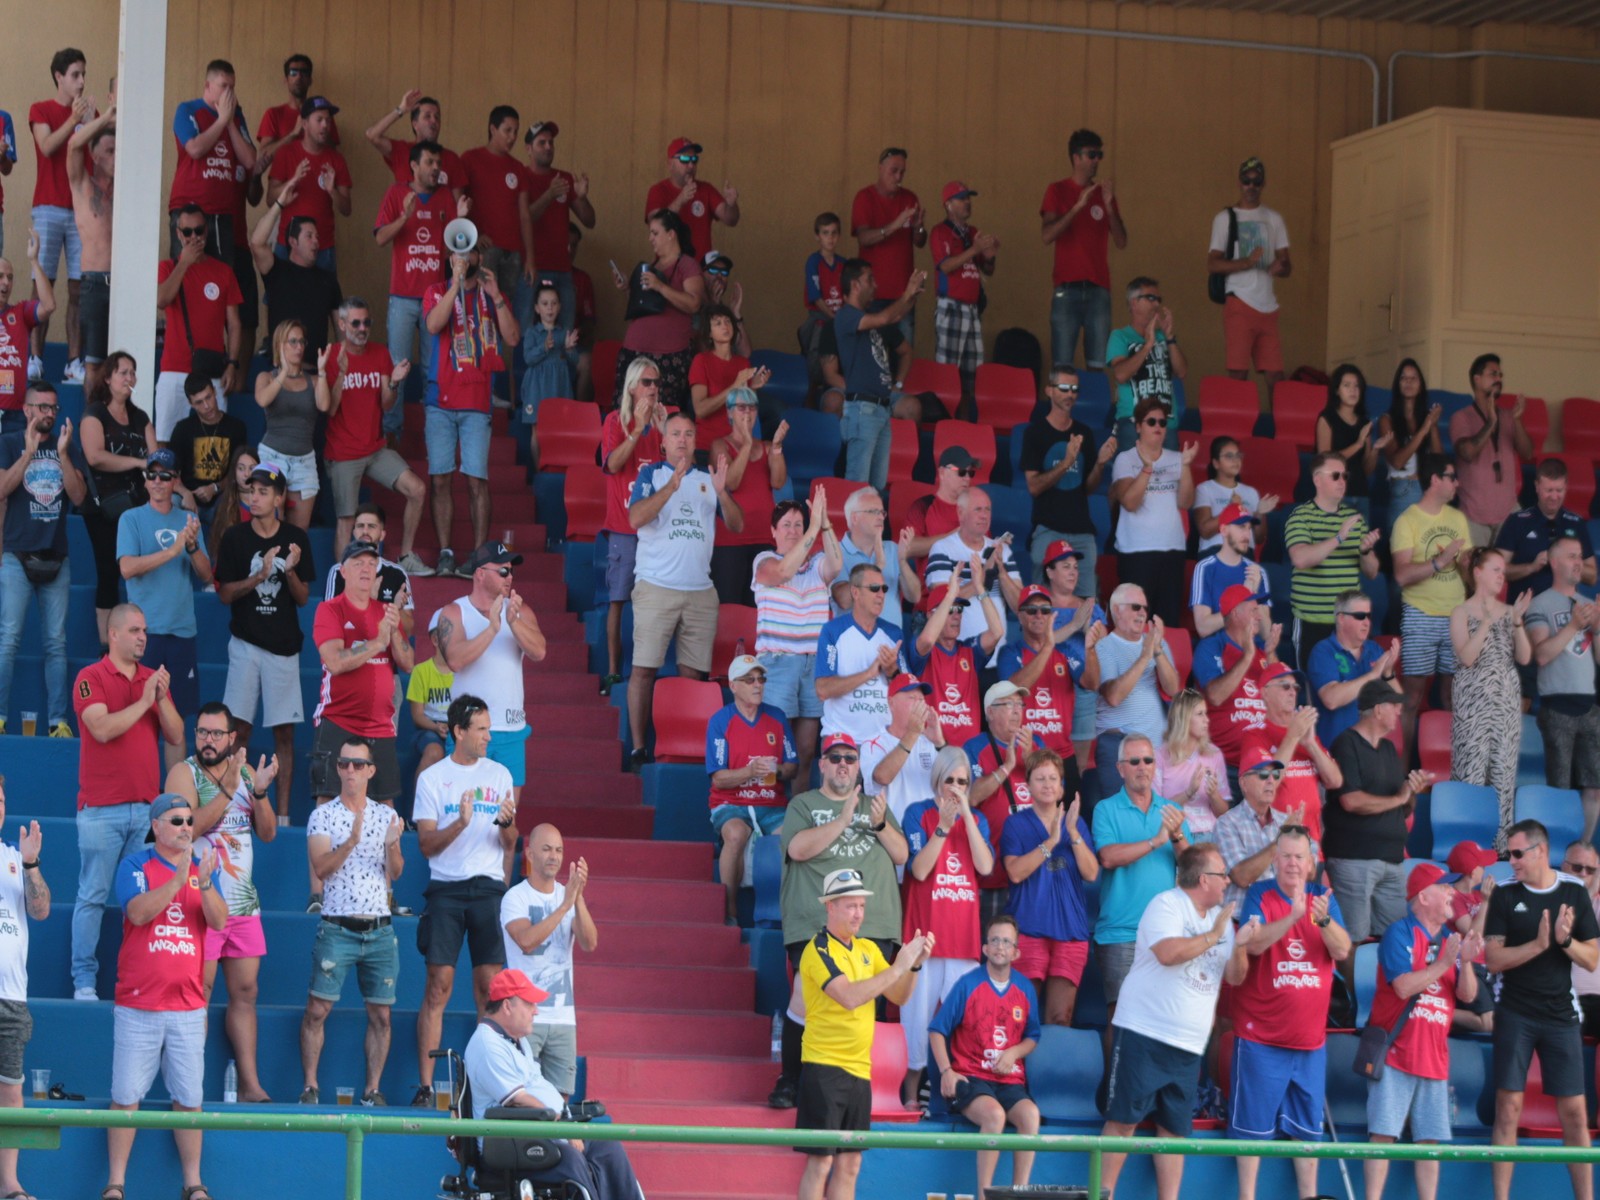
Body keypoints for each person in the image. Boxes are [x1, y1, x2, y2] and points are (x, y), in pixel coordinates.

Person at [1098, 843, 1254, 1200]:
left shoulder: (1223, 922)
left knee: (1174, 1131)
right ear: (1203, 879)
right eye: (1222, 874)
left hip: (1187, 1045)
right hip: (1144, 1032)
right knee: (1123, 1122)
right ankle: (1101, 1196)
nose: (1228, 880)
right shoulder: (1166, 904)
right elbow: (1168, 953)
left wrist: (1240, 945)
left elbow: (1236, 975)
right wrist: (1215, 935)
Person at [771, 733, 909, 1110]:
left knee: (870, 1008)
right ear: (822, 765)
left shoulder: (875, 805)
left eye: (850, 757)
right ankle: (791, 1079)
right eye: (835, 757)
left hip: (875, 923)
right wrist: (844, 818)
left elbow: (901, 855)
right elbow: (797, 849)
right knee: (805, 998)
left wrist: (878, 825)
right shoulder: (804, 804)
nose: (843, 764)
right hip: (817, 922)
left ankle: (863, 1089)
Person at [105, 793, 226, 1200]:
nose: (186, 828)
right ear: (156, 826)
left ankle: (193, 1184)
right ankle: (116, 1185)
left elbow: (220, 920)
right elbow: (137, 912)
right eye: (176, 821)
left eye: (190, 821)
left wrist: (203, 882)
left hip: (188, 1006)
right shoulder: (136, 864)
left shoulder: (203, 870)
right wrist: (177, 878)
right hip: (138, 1003)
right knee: (125, 1099)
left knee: (190, 1100)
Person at [1229, 826, 1351, 1200]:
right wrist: (1292, 917)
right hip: (1261, 1037)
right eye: (1286, 856)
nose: (1293, 864)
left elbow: (1343, 951)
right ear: (1275, 860)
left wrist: (1322, 920)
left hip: (1309, 1042)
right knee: (1250, 1133)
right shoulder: (1260, 894)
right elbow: (1252, 945)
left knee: (1308, 1133)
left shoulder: (1323, 899)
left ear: (1311, 863)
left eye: (1300, 856)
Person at [796, 868, 932, 1200]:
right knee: (822, 1163)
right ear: (830, 906)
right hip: (823, 1068)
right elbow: (850, 997)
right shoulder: (818, 950)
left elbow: (899, 996)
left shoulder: (869, 949)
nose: (858, 913)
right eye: (850, 906)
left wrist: (913, 965)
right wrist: (899, 965)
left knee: (851, 1164)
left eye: (861, 906)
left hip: (859, 1071)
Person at [72, 604, 185, 1000]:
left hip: (145, 811)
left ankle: (138, 978)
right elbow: (101, 729)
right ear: (114, 634)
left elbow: (175, 734)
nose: (143, 637)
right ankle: (84, 982)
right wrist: (143, 702)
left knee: (141, 900)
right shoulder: (91, 677)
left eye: (145, 631)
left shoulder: (151, 680)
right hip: (102, 807)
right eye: (135, 630)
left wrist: (162, 696)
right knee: (93, 896)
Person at [411, 694, 519, 1104]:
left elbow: (509, 842)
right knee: (438, 986)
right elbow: (425, 845)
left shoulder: (500, 775)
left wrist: (507, 825)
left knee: (489, 990)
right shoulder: (434, 779)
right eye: (482, 729)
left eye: (489, 728)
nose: (489, 736)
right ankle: (425, 1086)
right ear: (459, 732)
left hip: (489, 888)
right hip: (447, 889)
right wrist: (460, 821)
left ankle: (483, 1088)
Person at [169, 701, 278, 1105]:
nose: (208, 740)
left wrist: (260, 791)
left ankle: (250, 1084)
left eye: (216, 734)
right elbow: (187, 828)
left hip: (243, 904)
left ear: (233, 738)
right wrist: (230, 789)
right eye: (202, 732)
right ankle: (189, 1086)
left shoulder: (246, 773)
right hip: (200, 901)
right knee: (201, 991)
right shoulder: (185, 772)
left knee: (246, 991)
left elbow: (267, 834)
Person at [1486, 819, 1600, 1200]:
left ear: (1541, 852)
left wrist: (1564, 941)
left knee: (1574, 1113)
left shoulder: (1575, 892)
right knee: (1509, 1108)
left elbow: (1591, 960)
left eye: (1518, 854)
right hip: (1515, 1010)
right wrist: (1535, 946)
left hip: (1560, 1015)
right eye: (1510, 854)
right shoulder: (1504, 894)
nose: (1512, 861)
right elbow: (1493, 959)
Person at [461, 968, 645, 1200]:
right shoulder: (487, 1044)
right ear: (507, 1006)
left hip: (540, 1133)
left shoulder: (517, 1042)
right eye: (529, 1004)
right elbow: (519, 1101)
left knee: (607, 1147)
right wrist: (563, 1128)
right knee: (571, 1158)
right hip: (510, 1143)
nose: (535, 1011)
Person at [625, 413, 740, 769]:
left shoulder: (709, 479)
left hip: (700, 592)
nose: (682, 440)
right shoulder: (652, 475)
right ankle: (639, 747)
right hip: (656, 587)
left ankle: (686, 747)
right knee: (644, 669)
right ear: (662, 441)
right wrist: (670, 489)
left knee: (693, 676)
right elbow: (635, 519)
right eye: (675, 433)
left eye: (689, 434)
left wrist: (723, 493)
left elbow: (736, 525)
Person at [1364, 862, 1482, 1200]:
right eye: (1443, 887)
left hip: (1434, 1057)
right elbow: (1402, 987)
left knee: (1429, 1142)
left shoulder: (1450, 939)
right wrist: (1444, 964)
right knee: (1383, 1135)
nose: (1450, 893)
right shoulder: (1399, 933)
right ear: (1423, 896)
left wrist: (1468, 961)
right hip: (1397, 1053)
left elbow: (1468, 996)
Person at [301, 735, 405, 1106]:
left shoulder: (386, 815)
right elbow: (321, 869)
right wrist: (351, 841)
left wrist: (392, 844)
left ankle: (371, 1091)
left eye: (358, 765)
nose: (349, 770)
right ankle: (310, 1086)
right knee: (317, 1009)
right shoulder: (323, 815)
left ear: (370, 771)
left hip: (378, 927)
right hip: (337, 925)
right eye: (344, 763)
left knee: (382, 1014)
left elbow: (397, 871)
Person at [214, 462, 314, 820]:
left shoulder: (296, 539)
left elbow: (303, 598)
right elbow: (225, 594)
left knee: (284, 735)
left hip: (284, 649)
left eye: (262, 492)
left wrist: (286, 571)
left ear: (278, 497)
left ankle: (282, 817)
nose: (254, 497)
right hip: (244, 645)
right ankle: (228, 809)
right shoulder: (235, 538)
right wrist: (260, 574)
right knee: (237, 730)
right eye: (250, 491)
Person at [898, 745, 994, 1105]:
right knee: (916, 1025)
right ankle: (910, 1096)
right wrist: (942, 826)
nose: (955, 787)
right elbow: (919, 870)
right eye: (950, 780)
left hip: (963, 939)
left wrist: (966, 816)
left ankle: (959, 1098)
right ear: (937, 779)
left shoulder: (978, 820)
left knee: (965, 1024)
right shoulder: (917, 813)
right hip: (924, 938)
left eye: (963, 781)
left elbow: (985, 867)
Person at [1092, 733, 1193, 1074]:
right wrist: (1156, 840)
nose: (1142, 767)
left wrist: (1176, 836)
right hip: (1120, 931)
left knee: (1163, 1016)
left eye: (1148, 760)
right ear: (1120, 768)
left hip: (1163, 934)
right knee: (1120, 1015)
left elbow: (1191, 869)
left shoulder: (1173, 811)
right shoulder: (1106, 809)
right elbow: (1107, 857)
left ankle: (1150, 1092)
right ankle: (1115, 1089)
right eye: (1134, 761)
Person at [928, 913, 1042, 1197]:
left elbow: (1033, 1036)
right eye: (995, 940)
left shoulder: (1025, 988)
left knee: (1030, 1115)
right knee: (994, 1116)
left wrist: (1014, 1052)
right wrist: (946, 1071)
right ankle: (984, 1194)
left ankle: (1020, 1192)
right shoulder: (968, 984)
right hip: (972, 1078)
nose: (1000, 946)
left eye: (1007, 941)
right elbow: (936, 1030)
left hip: (1009, 1081)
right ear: (985, 949)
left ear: (1016, 951)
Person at [425, 245, 519, 573]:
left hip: (477, 402)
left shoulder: (490, 294)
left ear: (481, 257)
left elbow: (513, 338)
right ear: (449, 258)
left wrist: (497, 298)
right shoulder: (436, 290)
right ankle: (446, 553)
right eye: (457, 251)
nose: (465, 257)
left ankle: (479, 556)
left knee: (477, 481)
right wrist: (455, 282)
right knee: (440, 479)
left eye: (471, 251)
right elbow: (434, 325)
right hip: (440, 401)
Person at [116, 449, 212, 770]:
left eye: (165, 476)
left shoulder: (189, 521)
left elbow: (206, 574)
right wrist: (173, 551)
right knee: (140, 716)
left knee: (177, 722)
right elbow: (127, 568)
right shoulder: (131, 519)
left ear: (176, 481)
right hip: (144, 635)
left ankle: (175, 798)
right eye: (151, 475)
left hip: (181, 632)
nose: (157, 481)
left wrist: (192, 546)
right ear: (145, 481)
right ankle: (140, 792)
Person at [309, 540, 413, 833]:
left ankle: (387, 878)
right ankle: (319, 876)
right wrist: (377, 643)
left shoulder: (386, 612)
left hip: (380, 725)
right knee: (327, 803)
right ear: (343, 571)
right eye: (358, 563)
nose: (366, 569)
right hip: (338, 719)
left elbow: (407, 662)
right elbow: (335, 661)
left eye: (371, 563)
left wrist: (392, 634)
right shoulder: (330, 610)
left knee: (385, 807)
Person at [1325, 682, 1428, 975]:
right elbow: (1351, 801)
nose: (1399, 711)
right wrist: (1398, 797)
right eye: (1394, 705)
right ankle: (1353, 1003)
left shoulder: (1387, 749)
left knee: (1394, 936)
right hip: (1354, 857)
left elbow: (1400, 806)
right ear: (1378, 709)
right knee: (1353, 938)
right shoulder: (1346, 743)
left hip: (1392, 859)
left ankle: (1381, 1002)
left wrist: (1411, 793)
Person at [0, 383, 85, 737]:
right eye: (42, 407)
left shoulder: (67, 446)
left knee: (56, 642)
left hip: (56, 555)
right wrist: (29, 453)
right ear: (27, 409)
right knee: (9, 638)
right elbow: (3, 489)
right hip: (16, 554)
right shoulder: (7, 443)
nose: (48, 413)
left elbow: (78, 497)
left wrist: (63, 455)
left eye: (53, 407)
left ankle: (57, 722)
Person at [317, 300, 428, 568]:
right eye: (355, 323)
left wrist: (393, 381)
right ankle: (343, 580)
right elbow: (329, 410)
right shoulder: (331, 355)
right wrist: (341, 374)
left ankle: (405, 556)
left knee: (418, 489)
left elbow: (387, 403)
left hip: (375, 449)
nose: (362, 328)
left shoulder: (379, 353)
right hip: (343, 453)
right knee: (346, 519)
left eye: (367, 322)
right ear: (342, 325)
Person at [435, 541, 547, 800]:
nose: (510, 578)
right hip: (467, 729)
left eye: (511, 571)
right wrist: (492, 629)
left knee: (506, 820)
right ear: (480, 573)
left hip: (511, 729)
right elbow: (455, 660)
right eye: (503, 571)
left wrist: (513, 622)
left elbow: (539, 652)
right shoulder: (453, 612)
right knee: (459, 812)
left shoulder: (520, 610)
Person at [1001, 748, 1098, 1027]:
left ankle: (1051, 1071)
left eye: (1053, 779)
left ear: (1062, 785)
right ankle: (1016, 1071)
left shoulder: (1076, 823)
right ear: (1028, 786)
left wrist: (1074, 834)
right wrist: (1051, 842)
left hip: (1070, 932)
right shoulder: (1015, 823)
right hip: (1029, 929)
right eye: (1040, 778)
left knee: (1061, 1018)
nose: (1047, 785)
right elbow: (1015, 873)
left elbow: (1091, 873)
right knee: (1020, 1017)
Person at [500, 825, 597, 1102]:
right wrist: (565, 905)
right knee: (522, 1097)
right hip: (524, 1014)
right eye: (546, 849)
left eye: (559, 850)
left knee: (560, 1100)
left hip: (563, 1016)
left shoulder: (568, 896)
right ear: (529, 854)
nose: (554, 856)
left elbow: (590, 944)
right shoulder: (515, 897)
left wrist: (577, 900)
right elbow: (526, 941)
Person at [753, 498, 842, 790]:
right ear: (773, 531)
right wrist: (812, 530)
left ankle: (796, 814)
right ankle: (765, 810)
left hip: (812, 663)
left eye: (799, 524)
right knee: (773, 748)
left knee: (805, 750)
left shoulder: (816, 564)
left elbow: (837, 565)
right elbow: (782, 573)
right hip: (777, 663)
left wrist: (825, 523)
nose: (793, 531)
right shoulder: (764, 560)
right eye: (786, 525)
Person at [372, 138, 459, 436]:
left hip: (435, 298)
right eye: (430, 163)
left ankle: (435, 430)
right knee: (398, 365)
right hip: (402, 297)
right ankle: (393, 432)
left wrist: (462, 220)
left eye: (439, 163)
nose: (436, 169)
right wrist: (405, 217)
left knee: (432, 369)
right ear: (413, 166)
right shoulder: (397, 193)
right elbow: (381, 238)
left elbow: (453, 250)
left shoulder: (446, 197)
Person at [707, 655, 799, 921]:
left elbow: (792, 766)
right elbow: (718, 779)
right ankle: (730, 908)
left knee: (794, 839)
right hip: (730, 802)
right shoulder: (720, 721)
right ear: (733, 686)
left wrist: (777, 770)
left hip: (770, 803)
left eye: (761, 679)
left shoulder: (777, 717)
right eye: (749, 680)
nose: (757, 685)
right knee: (735, 834)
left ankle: (786, 912)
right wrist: (749, 772)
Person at [1451, 548, 1533, 841]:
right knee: (1471, 774)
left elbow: (1524, 657)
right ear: (1478, 572)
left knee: (1502, 775)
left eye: (1503, 570)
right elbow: (1468, 658)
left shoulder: (1510, 611)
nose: (1502, 575)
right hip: (1473, 704)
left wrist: (1518, 622)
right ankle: (1466, 847)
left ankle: (1500, 847)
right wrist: (1485, 622)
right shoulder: (1461, 612)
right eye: (1496, 569)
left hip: (1505, 703)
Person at [1390, 453, 1470, 747]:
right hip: (1420, 615)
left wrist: (1467, 563)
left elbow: (1467, 566)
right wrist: (1440, 561)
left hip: (1456, 616)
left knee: (1452, 697)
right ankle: (1402, 779)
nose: (1457, 483)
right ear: (1435, 479)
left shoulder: (1458, 518)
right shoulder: (1407, 520)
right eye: (1451, 476)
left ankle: (1453, 775)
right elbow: (1401, 575)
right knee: (1411, 698)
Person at [597, 359, 667, 692]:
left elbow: (673, 474)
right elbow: (611, 463)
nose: (654, 388)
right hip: (624, 527)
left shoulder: (663, 422)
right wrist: (638, 428)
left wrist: (666, 433)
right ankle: (613, 670)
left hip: (657, 530)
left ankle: (649, 670)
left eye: (657, 382)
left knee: (655, 602)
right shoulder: (615, 420)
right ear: (632, 387)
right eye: (647, 382)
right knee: (618, 600)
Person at [1525, 536, 1600, 841]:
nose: (1578, 562)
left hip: (1590, 704)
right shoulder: (1540, 604)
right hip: (1556, 705)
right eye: (1571, 556)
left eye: (1580, 556)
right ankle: (1556, 850)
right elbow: (1541, 655)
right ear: (1554, 562)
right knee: (1560, 786)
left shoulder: (1587, 604)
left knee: (1595, 785)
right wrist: (1571, 625)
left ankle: (1581, 848)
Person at [80, 352, 156, 645]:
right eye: (123, 372)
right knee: (108, 571)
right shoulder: (95, 413)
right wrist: (137, 464)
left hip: (136, 506)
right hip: (103, 508)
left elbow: (154, 459)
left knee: (143, 572)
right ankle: (106, 644)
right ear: (109, 378)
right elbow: (95, 456)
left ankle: (140, 637)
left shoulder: (141, 417)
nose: (129, 378)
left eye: (133, 373)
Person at [27, 48, 92, 383]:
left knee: (79, 289)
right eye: (75, 75)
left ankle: (73, 361)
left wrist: (94, 122)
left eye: (83, 74)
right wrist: (74, 119)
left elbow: (96, 163)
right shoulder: (42, 109)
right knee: (44, 286)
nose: (81, 81)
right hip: (49, 207)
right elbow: (47, 146)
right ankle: (35, 358)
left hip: (80, 210)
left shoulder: (88, 114)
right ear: (59, 77)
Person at [833, 258, 925, 490]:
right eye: (869, 279)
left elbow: (893, 317)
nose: (875, 285)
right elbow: (885, 317)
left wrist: (912, 296)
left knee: (875, 490)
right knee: (857, 489)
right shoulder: (845, 315)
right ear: (855, 285)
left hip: (881, 409)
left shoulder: (869, 316)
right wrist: (906, 294)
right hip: (862, 410)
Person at [153, 206, 242, 445]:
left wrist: (232, 364)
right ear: (179, 234)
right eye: (188, 232)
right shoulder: (167, 268)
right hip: (174, 368)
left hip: (211, 369)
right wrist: (185, 263)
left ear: (207, 231)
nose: (194, 237)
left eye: (199, 230)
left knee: (215, 442)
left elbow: (234, 324)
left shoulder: (223, 271)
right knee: (164, 439)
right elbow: (162, 300)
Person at [1022, 363, 1116, 588]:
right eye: (1064, 388)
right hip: (1047, 529)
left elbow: (1088, 488)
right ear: (1049, 390)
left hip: (1082, 531)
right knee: (1041, 607)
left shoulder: (1084, 433)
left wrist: (1100, 465)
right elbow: (1034, 487)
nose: (1070, 394)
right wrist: (1066, 463)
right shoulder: (1035, 433)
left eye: (1074, 389)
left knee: (1085, 605)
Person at [1040, 129, 1126, 371]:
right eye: (1092, 155)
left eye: (1100, 155)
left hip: (1099, 289)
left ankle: (1095, 409)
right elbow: (1047, 235)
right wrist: (1077, 207)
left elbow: (1121, 241)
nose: (1097, 160)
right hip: (1066, 289)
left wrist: (1109, 209)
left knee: (1098, 365)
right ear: (1076, 158)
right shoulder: (1057, 190)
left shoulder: (1104, 195)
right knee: (1062, 365)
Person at [1207, 156, 1291, 402]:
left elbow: (1287, 264)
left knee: (1276, 375)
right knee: (1238, 373)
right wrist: (1244, 263)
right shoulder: (1225, 218)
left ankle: (1279, 431)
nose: (1251, 187)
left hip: (1268, 306)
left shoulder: (1274, 219)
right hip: (1240, 303)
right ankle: (1235, 433)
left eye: (1256, 182)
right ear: (1239, 182)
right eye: (1247, 181)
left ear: (1263, 184)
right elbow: (1212, 263)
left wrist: (1281, 266)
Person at [1286, 451, 1381, 664]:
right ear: (1317, 480)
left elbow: (1372, 572)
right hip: (1312, 621)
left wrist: (1365, 551)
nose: (1342, 481)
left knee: (1353, 689)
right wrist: (1339, 538)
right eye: (1335, 476)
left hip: (1349, 621)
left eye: (1345, 476)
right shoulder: (1301, 516)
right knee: (1310, 691)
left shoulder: (1354, 519)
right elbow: (1300, 559)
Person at [966, 682, 1049, 927]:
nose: (1017, 711)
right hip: (993, 876)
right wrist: (1007, 767)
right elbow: (971, 797)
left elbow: (1056, 792)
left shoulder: (1038, 744)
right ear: (990, 712)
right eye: (1008, 704)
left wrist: (1029, 759)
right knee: (994, 948)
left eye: (1020, 704)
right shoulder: (974, 747)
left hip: (1035, 873)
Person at [1109, 397, 1196, 627]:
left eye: (1162, 422)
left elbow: (1186, 502)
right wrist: (1147, 468)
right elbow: (1129, 502)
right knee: (1134, 624)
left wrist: (1185, 466)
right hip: (1137, 551)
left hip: (1172, 550)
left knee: (1166, 625)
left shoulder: (1177, 459)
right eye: (1151, 422)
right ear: (1138, 426)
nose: (1158, 426)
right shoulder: (1125, 459)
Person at [0, 776, 46, 1200]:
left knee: (11, 1089)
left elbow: (41, 909)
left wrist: (31, 866)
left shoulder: (15, 858)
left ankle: (9, 1184)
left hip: (11, 997)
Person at [249, 162, 344, 363]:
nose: (316, 241)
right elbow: (257, 242)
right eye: (309, 236)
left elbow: (340, 330)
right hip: (280, 372)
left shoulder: (328, 279)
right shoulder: (277, 271)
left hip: (315, 373)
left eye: (317, 237)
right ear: (292, 241)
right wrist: (281, 202)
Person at [611, 209, 703, 412]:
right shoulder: (652, 265)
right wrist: (628, 288)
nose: (650, 238)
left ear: (671, 234)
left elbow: (694, 303)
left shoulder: (687, 265)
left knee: (662, 413)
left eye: (655, 233)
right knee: (626, 411)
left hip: (668, 356)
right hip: (634, 350)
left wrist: (661, 286)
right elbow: (642, 306)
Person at [1240, 662, 1342, 841]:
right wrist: (1292, 736)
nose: (1293, 692)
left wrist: (1310, 743)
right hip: (1275, 845)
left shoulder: (1304, 729)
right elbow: (1263, 785)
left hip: (1311, 843)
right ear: (1265, 692)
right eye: (1285, 686)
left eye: (1295, 687)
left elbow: (1335, 781)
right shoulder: (1254, 734)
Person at [1001, 583, 1096, 766]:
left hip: (1063, 755)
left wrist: (1090, 651)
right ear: (1020, 617)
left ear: (1051, 616)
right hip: (1024, 755)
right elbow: (1014, 688)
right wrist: (1048, 646)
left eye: (1044, 610)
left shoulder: (1065, 651)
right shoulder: (1010, 652)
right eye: (1031, 610)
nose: (1038, 615)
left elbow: (1091, 684)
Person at [1192, 584, 1279, 780]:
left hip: (1265, 762)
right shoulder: (1211, 646)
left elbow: (1282, 700)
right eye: (1253, 610)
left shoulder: (1263, 653)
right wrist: (1247, 656)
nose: (1259, 616)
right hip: (1226, 766)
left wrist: (1272, 656)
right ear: (1236, 614)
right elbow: (1215, 696)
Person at [708, 388, 785, 605]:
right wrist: (747, 444)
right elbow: (731, 482)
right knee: (729, 610)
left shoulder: (768, 446)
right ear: (729, 413)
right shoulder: (719, 445)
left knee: (760, 610)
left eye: (752, 407)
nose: (747, 412)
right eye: (741, 407)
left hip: (765, 540)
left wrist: (777, 448)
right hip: (730, 541)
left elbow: (778, 482)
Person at [816, 563, 906, 747]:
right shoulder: (832, 630)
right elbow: (823, 689)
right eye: (874, 588)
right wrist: (868, 674)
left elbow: (907, 692)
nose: (881, 594)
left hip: (885, 743)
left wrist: (892, 672)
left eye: (884, 588)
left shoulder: (894, 633)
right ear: (855, 593)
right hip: (842, 742)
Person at [924, 489, 1023, 654]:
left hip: (997, 655)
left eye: (988, 510)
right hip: (958, 656)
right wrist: (984, 573)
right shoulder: (943, 548)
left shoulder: (1002, 550)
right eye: (978, 509)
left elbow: (1020, 607)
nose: (984, 515)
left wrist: (1000, 570)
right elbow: (940, 604)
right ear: (960, 513)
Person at [1452, 354, 1534, 548]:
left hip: (1508, 512)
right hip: (1473, 515)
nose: (1499, 379)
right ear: (1476, 379)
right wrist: (1490, 423)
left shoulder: (1508, 415)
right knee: (1475, 574)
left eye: (1500, 375)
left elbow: (1528, 453)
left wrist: (1517, 420)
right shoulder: (1461, 417)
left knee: (1508, 574)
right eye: (1493, 374)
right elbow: (1467, 453)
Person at [914, 578, 1005, 748]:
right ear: (931, 614)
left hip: (969, 754)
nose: (956, 615)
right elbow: (926, 639)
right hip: (933, 749)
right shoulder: (923, 650)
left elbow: (997, 632)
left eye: (959, 610)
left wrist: (980, 588)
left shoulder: (969, 651)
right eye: (950, 610)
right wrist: (949, 597)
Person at [266, 97, 351, 271]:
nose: (325, 125)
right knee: (284, 298)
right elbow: (269, 199)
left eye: (328, 120)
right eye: (319, 120)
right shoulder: (286, 153)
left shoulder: (336, 160)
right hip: (289, 245)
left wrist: (332, 191)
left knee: (324, 299)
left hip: (323, 246)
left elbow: (346, 209)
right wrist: (292, 181)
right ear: (304, 124)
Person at [851, 148, 926, 346]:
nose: (898, 176)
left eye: (902, 172)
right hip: (872, 295)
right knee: (874, 353)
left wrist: (918, 228)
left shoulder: (910, 198)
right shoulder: (864, 197)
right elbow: (864, 238)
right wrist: (895, 225)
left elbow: (919, 242)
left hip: (904, 294)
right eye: (894, 171)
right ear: (880, 168)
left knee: (904, 351)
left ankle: (900, 380)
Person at [1041, 542, 1108, 761]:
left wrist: (1088, 626)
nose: (1073, 572)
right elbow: (1039, 643)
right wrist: (1073, 625)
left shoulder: (1088, 605)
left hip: (1083, 688)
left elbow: (1105, 644)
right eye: (1066, 566)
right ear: (1050, 572)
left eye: (1075, 567)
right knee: (1044, 760)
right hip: (1047, 689)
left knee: (1077, 766)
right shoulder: (1038, 604)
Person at [1498, 457, 1598, 603]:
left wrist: (1567, 562)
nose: (1554, 496)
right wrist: (1531, 567)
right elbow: (1497, 570)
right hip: (1523, 614)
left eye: (1559, 490)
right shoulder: (1517, 521)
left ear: (1566, 487)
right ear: (1537, 486)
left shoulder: (1576, 523)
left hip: (1564, 615)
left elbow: (1592, 577)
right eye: (1549, 490)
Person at [1306, 590, 1399, 747]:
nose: (1367, 622)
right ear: (1341, 618)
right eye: (1360, 616)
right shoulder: (1323, 651)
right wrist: (1373, 675)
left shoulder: (1374, 649)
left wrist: (1388, 673)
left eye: (1369, 616)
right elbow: (1331, 699)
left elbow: (1398, 705)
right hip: (1336, 751)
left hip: (1372, 751)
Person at [65, 104, 114, 395]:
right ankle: (91, 424)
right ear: (94, 155)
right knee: (94, 366)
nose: (115, 156)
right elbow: (73, 145)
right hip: (95, 282)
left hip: (123, 282)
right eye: (109, 151)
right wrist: (106, 117)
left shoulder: (125, 189)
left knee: (122, 363)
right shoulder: (83, 185)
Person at [521, 120, 594, 316]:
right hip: (530, 268)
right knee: (527, 334)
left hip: (562, 269)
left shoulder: (565, 178)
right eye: (542, 143)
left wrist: (582, 198)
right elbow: (523, 219)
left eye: (551, 143)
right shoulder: (521, 177)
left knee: (565, 334)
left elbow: (589, 221)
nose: (548, 147)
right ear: (529, 149)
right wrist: (549, 195)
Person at [930, 180, 997, 392]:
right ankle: (946, 423)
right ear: (948, 204)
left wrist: (989, 257)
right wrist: (974, 249)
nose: (967, 202)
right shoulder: (940, 231)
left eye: (969, 198)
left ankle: (964, 422)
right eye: (962, 199)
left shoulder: (972, 232)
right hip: (951, 306)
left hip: (972, 308)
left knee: (971, 376)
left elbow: (987, 271)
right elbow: (946, 266)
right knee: (948, 373)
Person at [253, 320, 321, 529]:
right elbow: (263, 400)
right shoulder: (266, 377)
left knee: (299, 534)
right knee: (271, 527)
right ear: (280, 345)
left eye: (301, 342)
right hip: (273, 456)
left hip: (304, 461)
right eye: (292, 342)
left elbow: (326, 405)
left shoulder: (314, 380)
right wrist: (284, 370)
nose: (299, 347)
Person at [1093, 582, 1179, 747]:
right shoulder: (1103, 647)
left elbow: (1173, 689)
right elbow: (1113, 697)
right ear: (1117, 610)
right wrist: (1144, 657)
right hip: (1120, 745)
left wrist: (1157, 651)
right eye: (1135, 607)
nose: (1142, 613)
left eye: (1145, 608)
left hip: (1157, 745)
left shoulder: (1157, 642)